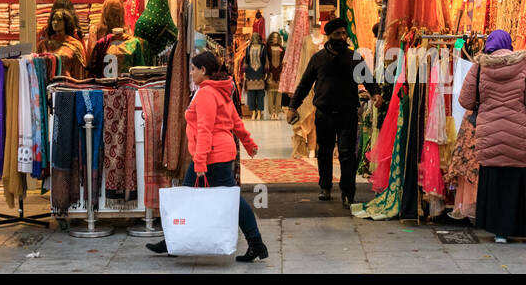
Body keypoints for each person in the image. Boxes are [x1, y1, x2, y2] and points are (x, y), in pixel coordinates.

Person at [147, 51, 268, 263]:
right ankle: (173, 241)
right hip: (217, 153)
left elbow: (205, 129)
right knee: (195, 196)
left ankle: (256, 243)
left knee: (230, 200)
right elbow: (235, 121)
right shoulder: (220, 91)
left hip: (211, 155)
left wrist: (201, 161)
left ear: (203, 70)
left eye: (193, 69)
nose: (191, 73)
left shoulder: (205, 94)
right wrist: (248, 143)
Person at [457, 28, 526, 244]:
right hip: (519, 133)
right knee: (520, 183)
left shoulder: (479, 68)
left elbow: (466, 101)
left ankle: (500, 232)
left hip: (489, 132)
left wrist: (486, 101)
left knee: (496, 181)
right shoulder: (524, 68)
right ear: (508, 44)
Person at [288, 19, 379, 208]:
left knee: (347, 154)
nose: (341, 37)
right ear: (329, 36)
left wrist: (376, 93)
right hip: (324, 113)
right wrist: (292, 107)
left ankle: (348, 192)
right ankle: (326, 187)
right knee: (325, 152)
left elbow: (368, 79)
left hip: (347, 113)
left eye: (343, 33)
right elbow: (304, 84)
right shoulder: (318, 58)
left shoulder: (354, 57)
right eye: (337, 34)